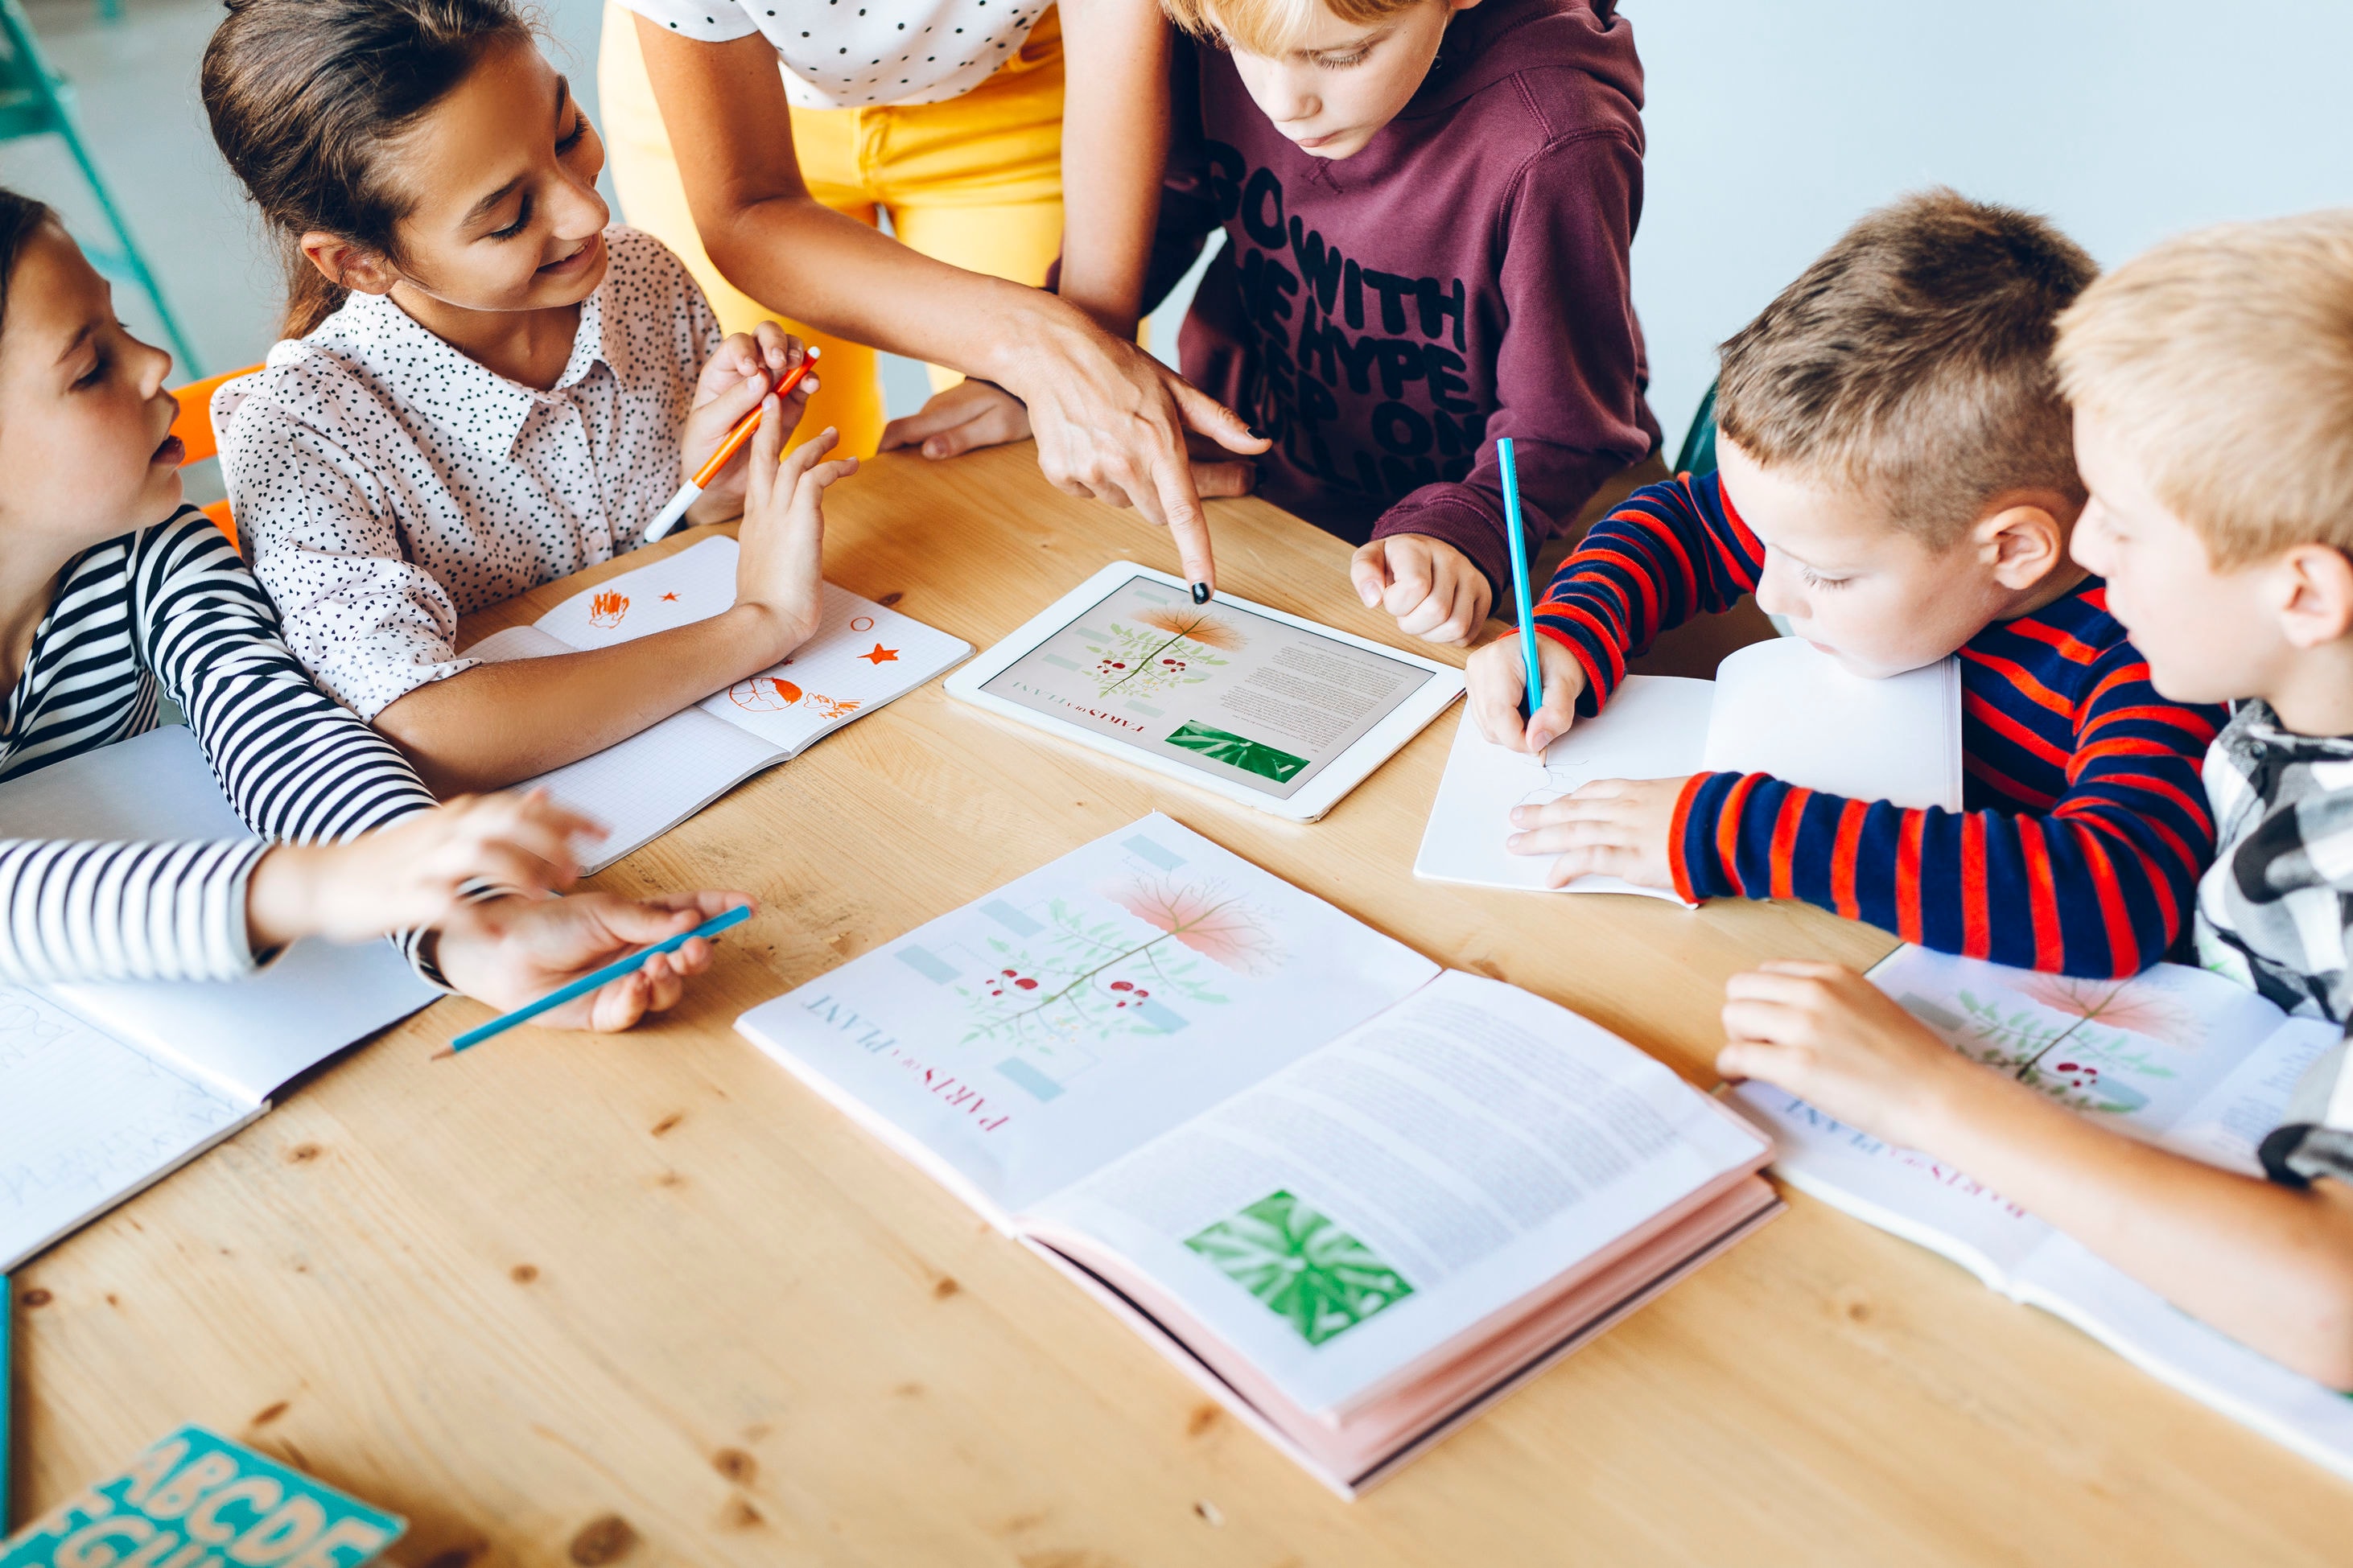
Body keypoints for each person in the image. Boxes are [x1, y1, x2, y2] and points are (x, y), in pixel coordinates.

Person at [1715, 210, 2353, 1388]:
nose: (2084, 552)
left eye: (2122, 520)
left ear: (2304, 592)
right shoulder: (2281, 703)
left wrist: (1925, 1097)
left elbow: (2336, 1309)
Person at [0, 187, 740, 1029]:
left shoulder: (148, 549)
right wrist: (313, 886)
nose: (152, 362)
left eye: (119, 325)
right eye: (89, 366)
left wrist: (472, 924)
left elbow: (280, 730)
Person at [1469, 191, 2223, 979]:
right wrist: (1568, 629)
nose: (1769, 591)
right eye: (1764, 544)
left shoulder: (2151, 652)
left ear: (2010, 550)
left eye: (1825, 575)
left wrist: (1739, 832)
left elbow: (2111, 896)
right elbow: (1680, 522)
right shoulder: (1851, 512)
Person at [204, 0, 851, 796]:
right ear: (358, 261)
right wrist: (760, 623)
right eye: (510, 217)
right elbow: (422, 727)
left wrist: (707, 496)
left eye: (568, 131)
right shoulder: (303, 438)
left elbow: (643, 562)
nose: (590, 212)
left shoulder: (640, 276)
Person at [883, 0, 1658, 648]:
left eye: (1344, 56)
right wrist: (1045, 367)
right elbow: (1168, 208)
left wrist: (1470, 529)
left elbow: (1568, 427)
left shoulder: (1556, 140)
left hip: (1495, 541)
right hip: (1275, 504)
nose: (1284, 102)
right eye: (1235, 46)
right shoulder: (1248, 18)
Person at [613, 0, 1269, 601]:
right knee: (767, 505)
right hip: (727, 99)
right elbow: (748, 208)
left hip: (1019, 92)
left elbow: (1082, 366)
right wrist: (1040, 345)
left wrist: (1069, 352)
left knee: (1050, 492)